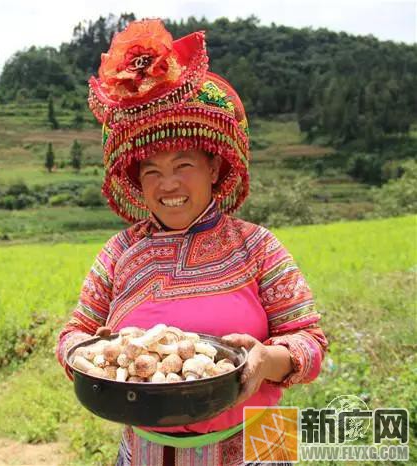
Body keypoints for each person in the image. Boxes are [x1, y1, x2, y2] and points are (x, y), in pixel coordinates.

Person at [55, 19, 327, 465]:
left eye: (184, 165)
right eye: (152, 172)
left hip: (260, 442)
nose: (169, 185)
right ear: (138, 183)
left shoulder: (256, 246)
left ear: (215, 169)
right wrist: (90, 354)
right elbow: (73, 334)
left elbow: (310, 343)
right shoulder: (119, 252)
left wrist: (266, 360)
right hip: (149, 450)